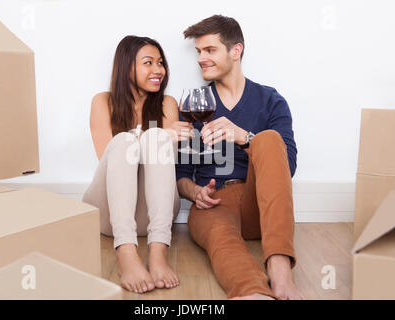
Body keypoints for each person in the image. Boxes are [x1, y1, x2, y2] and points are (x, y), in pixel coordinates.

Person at [176, 15, 304, 300]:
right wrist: (195, 192)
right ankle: (252, 292)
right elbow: (181, 175)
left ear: (236, 51)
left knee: (270, 139)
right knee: (221, 238)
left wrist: (244, 137)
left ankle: (281, 272)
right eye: (198, 52)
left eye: (209, 50)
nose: (201, 58)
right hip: (215, 201)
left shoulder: (270, 100)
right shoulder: (194, 104)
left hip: (259, 202)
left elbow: (288, 164)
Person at [82, 35, 193, 294]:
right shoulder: (102, 101)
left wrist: (159, 136)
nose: (158, 70)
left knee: (155, 137)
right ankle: (126, 254)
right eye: (148, 62)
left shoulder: (167, 104)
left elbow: (163, 167)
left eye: (161, 63)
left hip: (155, 214)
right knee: (123, 142)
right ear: (126, 67)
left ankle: (158, 253)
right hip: (112, 215)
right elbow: (108, 158)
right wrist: (157, 134)